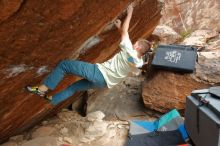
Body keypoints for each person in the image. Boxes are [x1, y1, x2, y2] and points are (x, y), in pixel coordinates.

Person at [26, 3, 152, 105]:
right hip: (104, 83)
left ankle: (42, 89)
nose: (133, 43)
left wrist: (130, 12)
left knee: (64, 65)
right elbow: (124, 36)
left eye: (136, 43)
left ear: (138, 46)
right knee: (74, 88)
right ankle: (52, 100)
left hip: (99, 73)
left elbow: (125, 32)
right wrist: (119, 28)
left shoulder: (130, 51)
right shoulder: (138, 62)